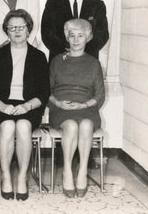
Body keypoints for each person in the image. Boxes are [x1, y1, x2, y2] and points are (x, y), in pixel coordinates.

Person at [0, 9, 49, 201]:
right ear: (6, 31)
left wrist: (27, 106)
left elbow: (44, 92)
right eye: (12, 28)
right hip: (0, 106)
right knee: (8, 125)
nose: (17, 31)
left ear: (29, 30)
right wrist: (3, 107)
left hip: (29, 106)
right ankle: (5, 176)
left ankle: (21, 178)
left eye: (21, 27)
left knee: (22, 125)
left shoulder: (38, 56)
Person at [48, 19, 105, 198]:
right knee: (71, 126)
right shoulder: (57, 61)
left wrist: (84, 105)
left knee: (87, 125)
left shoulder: (94, 63)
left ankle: (81, 171)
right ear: (67, 38)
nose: (75, 39)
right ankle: (67, 170)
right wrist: (58, 103)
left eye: (80, 35)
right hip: (61, 109)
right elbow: (46, 91)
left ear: (88, 38)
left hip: (86, 108)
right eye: (71, 35)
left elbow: (99, 96)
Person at [41, 0, 109, 61]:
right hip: (60, 60)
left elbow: (102, 34)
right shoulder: (52, 4)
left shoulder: (97, 5)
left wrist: (82, 51)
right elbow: (46, 33)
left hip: (88, 61)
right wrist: (67, 51)